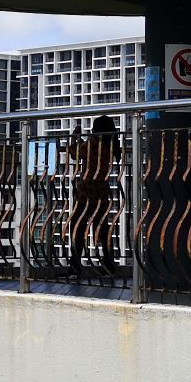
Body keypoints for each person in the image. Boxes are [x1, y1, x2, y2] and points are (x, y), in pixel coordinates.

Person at [69, 114, 121, 277]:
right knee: (102, 229)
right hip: (101, 191)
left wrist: (75, 137)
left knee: (77, 227)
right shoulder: (110, 145)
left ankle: (75, 264)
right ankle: (108, 262)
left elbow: (75, 152)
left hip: (86, 191)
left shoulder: (94, 143)